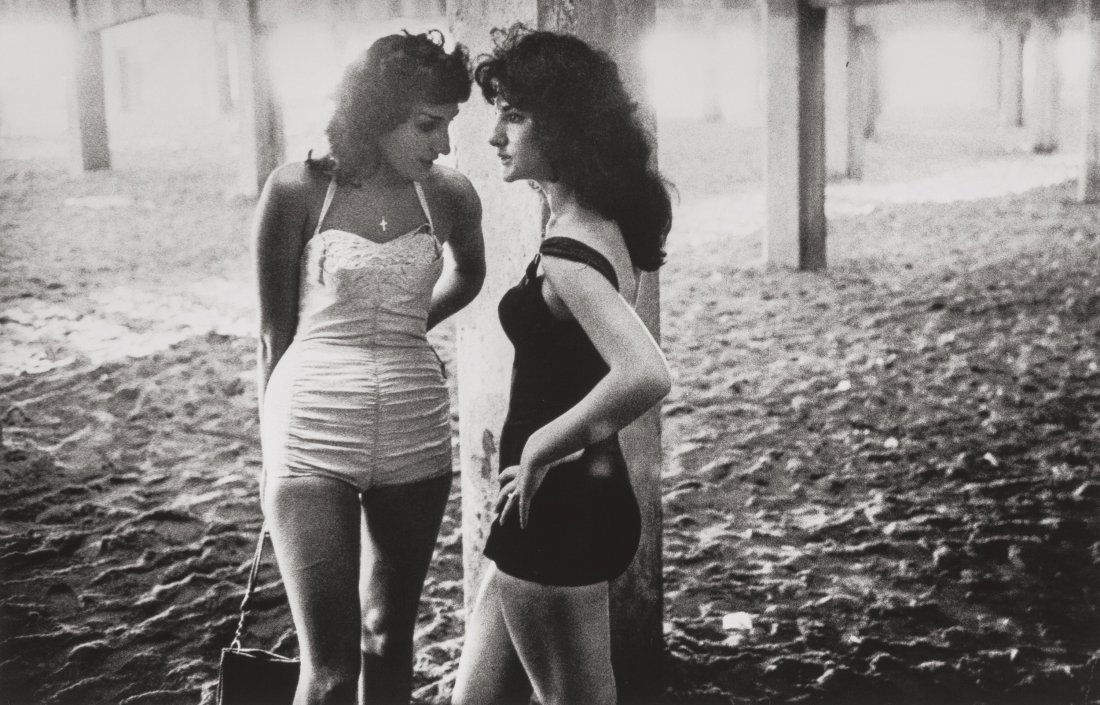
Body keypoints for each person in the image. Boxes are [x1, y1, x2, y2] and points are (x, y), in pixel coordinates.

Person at [254, 31, 484, 705]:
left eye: (448, 125)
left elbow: (470, 275)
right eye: (427, 124)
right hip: (313, 422)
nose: (441, 144)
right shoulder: (296, 189)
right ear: (377, 112)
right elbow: (273, 330)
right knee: (328, 672)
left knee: (389, 638)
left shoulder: (450, 196)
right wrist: (273, 447)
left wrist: (413, 325)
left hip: (415, 422)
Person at [452, 26, 672, 705]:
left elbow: (646, 373)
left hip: (557, 508)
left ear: (567, 130)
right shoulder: (601, 223)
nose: (494, 134)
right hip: (560, 503)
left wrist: (545, 442)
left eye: (515, 115)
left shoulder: (569, 253)